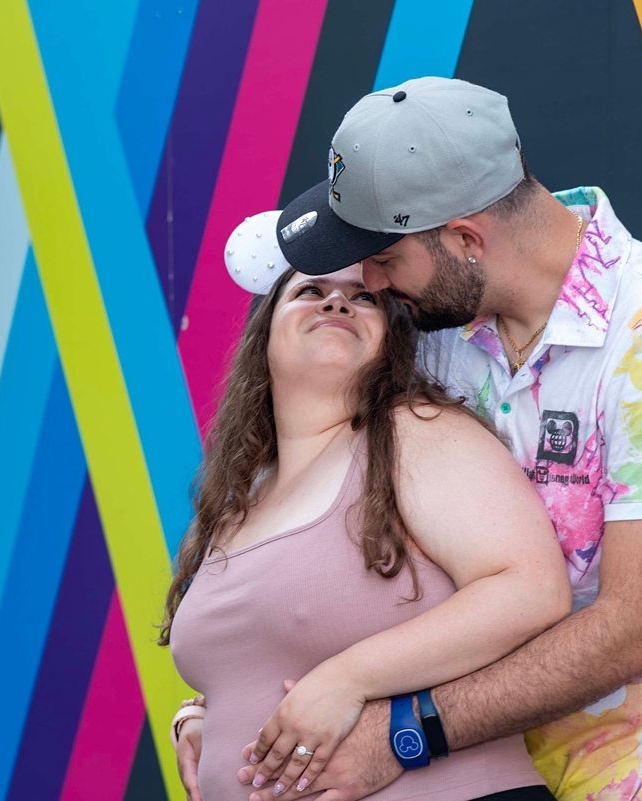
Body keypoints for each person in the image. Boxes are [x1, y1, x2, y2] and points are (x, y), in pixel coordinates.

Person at [184, 76, 642, 801]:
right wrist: (221, 701)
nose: (368, 278)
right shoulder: (441, 328)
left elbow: (632, 629)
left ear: (466, 239)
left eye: (383, 257)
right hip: (484, 767)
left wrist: (406, 731)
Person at [162, 257, 575, 800]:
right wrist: (204, 718)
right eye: (310, 291)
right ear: (263, 336)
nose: (336, 302)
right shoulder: (243, 495)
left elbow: (531, 590)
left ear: (392, 342)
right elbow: (268, 653)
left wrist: (346, 679)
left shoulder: (415, 432)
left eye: (363, 298)